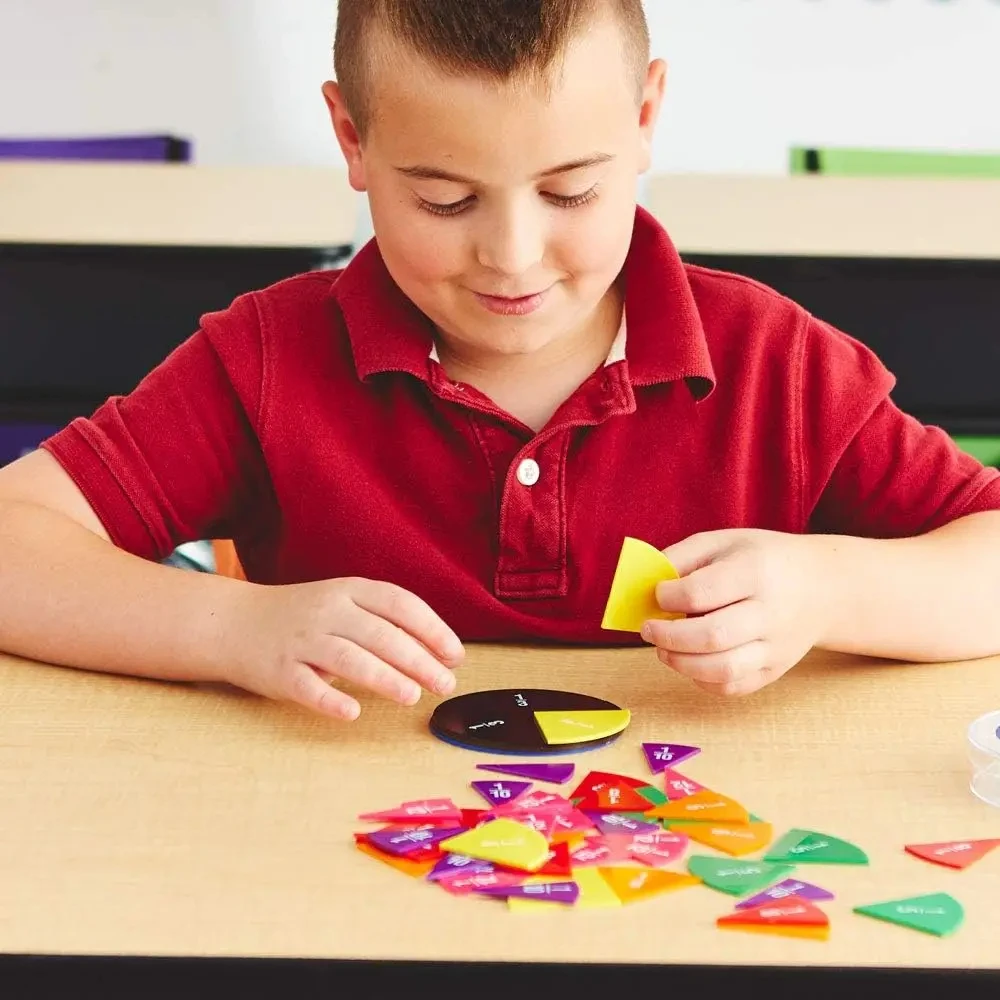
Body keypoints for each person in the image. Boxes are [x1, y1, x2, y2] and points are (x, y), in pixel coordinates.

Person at [1, 0, 999, 723]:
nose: (512, 256)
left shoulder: (775, 366)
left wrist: (829, 588)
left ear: (645, 118)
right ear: (351, 136)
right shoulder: (266, 359)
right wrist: (231, 630)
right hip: (331, 877)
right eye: (444, 201)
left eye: (569, 192)